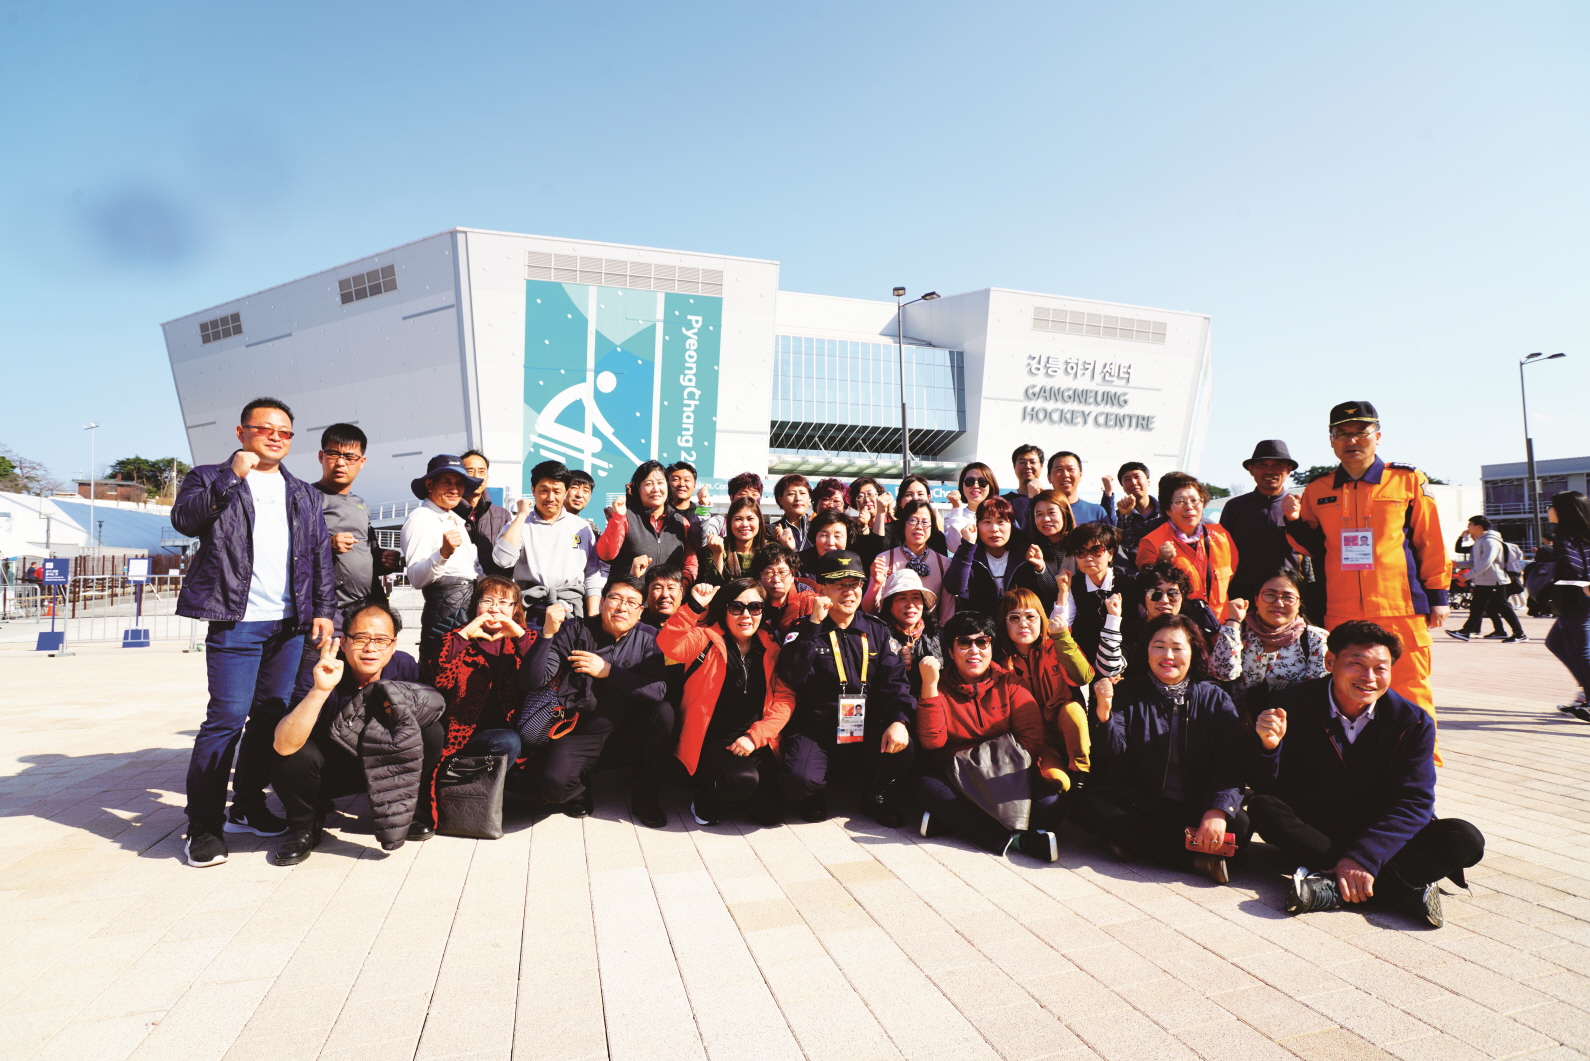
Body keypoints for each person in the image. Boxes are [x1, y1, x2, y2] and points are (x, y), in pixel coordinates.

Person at [171, 397, 335, 868]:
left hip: (289, 625)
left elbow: (319, 554)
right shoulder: (208, 476)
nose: (276, 438)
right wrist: (231, 476)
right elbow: (185, 522)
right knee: (226, 718)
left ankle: (246, 804)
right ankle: (203, 826)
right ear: (242, 432)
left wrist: (324, 609)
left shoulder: (302, 492)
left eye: (285, 432)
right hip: (235, 621)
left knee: (268, 717)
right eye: (266, 429)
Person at [1250, 621, 1485, 927]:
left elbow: (1415, 802)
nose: (1369, 678)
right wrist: (1268, 748)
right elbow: (1268, 785)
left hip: (1381, 832)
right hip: (1319, 830)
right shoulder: (1293, 704)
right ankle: (1402, 891)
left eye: (1380, 668)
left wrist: (1364, 857)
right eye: (1357, 664)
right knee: (1262, 807)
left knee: (1464, 838)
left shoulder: (1413, 722)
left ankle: (1330, 889)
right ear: (1330, 662)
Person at [1283, 401, 1451, 731]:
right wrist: (1292, 521)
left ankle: (1420, 761)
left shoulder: (1407, 480)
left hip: (1399, 609)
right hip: (1341, 610)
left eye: (1361, 432)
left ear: (1378, 436)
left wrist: (1438, 596)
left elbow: (1429, 540)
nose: (1351, 440)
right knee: (1347, 694)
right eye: (1342, 433)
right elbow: (1314, 547)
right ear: (1331, 440)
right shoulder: (1317, 489)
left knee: (1411, 692)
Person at [1080, 613, 1250, 884]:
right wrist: (1103, 710)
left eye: (1177, 648)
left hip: (1194, 801)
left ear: (1193, 652)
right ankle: (1195, 860)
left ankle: (1133, 844)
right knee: (1091, 806)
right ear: (1146, 651)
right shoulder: (1127, 692)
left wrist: (1216, 811)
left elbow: (1230, 762)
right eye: (1158, 646)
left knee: (1240, 825)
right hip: (1141, 801)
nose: (1167, 655)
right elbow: (1110, 749)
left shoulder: (1216, 699)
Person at [271, 602, 444, 864]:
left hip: (381, 766)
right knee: (293, 752)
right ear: (343, 642)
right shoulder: (322, 669)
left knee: (431, 731)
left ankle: (402, 812)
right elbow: (283, 745)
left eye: (381, 640)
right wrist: (320, 690)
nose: (371, 648)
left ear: (393, 645)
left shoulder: (404, 667)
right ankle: (303, 827)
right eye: (361, 638)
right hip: (328, 771)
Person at [775, 550, 915, 825]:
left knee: (904, 746)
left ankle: (875, 796)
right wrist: (814, 625)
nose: (849, 592)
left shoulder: (877, 631)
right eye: (840, 585)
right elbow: (792, 674)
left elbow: (896, 683)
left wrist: (899, 720)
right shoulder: (804, 629)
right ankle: (813, 795)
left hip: (864, 727)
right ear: (822, 589)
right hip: (819, 730)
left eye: (855, 584)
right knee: (798, 782)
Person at [520, 575, 672, 825]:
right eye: (616, 598)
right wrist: (546, 633)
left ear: (640, 611)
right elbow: (532, 681)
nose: (622, 607)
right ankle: (580, 789)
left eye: (631, 602)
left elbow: (658, 690)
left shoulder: (648, 637)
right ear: (602, 602)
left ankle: (646, 800)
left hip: (625, 732)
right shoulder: (575, 629)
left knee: (663, 712)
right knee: (553, 787)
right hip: (579, 733)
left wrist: (608, 671)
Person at [913, 612, 1064, 862]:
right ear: (951, 651)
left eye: (982, 642)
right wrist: (929, 687)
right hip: (959, 777)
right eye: (964, 642)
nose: (974, 650)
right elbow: (932, 741)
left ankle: (954, 823)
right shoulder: (939, 687)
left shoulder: (1011, 684)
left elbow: (1032, 742)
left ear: (991, 647)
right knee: (926, 787)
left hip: (1008, 775)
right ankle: (1018, 840)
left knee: (1051, 803)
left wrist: (988, 768)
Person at [657, 579, 795, 826]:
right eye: (737, 607)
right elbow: (670, 645)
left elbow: (784, 700)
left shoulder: (770, 647)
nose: (746, 615)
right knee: (741, 781)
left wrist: (755, 737)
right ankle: (704, 791)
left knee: (771, 813)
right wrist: (694, 607)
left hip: (753, 741)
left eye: (754, 607)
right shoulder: (706, 639)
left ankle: (736, 790)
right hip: (711, 742)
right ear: (725, 609)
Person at [293, 423, 403, 699]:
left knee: (357, 687)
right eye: (333, 454)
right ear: (321, 456)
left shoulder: (360, 504)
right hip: (325, 612)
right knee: (314, 685)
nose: (341, 462)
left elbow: (365, 551)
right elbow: (290, 548)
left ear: (362, 461)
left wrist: (382, 559)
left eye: (350, 456)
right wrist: (328, 544)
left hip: (361, 610)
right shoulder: (306, 498)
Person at [422, 576, 536, 830]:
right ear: (475, 606)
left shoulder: (523, 639)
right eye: (487, 601)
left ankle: (493, 790)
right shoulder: (456, 638)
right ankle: (472, 793)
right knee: (508, 741)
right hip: (463, 737)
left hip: (516, 733)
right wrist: (464, 635)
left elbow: (542, 676)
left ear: (515, 609)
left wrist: (519, 635)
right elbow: (437, 679)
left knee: (529, 768)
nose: (495, 608)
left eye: (504, 603)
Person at [997, 583, 1094, 792]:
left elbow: (1083, 676)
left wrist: (1063, 638)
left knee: (1073, 709)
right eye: (1014, 618)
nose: (1023, 623)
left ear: (1041, 619)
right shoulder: (1001, 664)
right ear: (1004, 624)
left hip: (1064, 727)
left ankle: (1082, 773)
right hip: (1036, 739)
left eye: (1030, 617)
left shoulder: (1056, 644)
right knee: (1059, 783)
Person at [1208, 569, 1328, 728]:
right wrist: (1233, 621)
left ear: (1300, 603)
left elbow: (1316, 693)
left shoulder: (1315, 639)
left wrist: (1262, 714)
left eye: (1288, 597)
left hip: (1290, 728)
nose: (1278, 603)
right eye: (1270, 595)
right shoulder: (1239, 632)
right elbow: (1223, 672)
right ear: (1256, 599)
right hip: (1236, 726)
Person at [494, 459, 604, 618]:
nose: (550, 497)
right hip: (529, 609)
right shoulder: (518, 524)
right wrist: (521, 516)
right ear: (533, 490)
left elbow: (592, 573)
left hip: (571, 610)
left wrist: (593, 616)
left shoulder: (582, 527)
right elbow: (503, 560)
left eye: (557, 491)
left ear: (566, 492)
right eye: (544, 490)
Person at [1136, 472, 1238, 623]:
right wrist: (1161, 561)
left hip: (1219, 625)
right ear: (1167, 510)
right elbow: (1148, 589)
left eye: (1194, 500)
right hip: (1177, 627)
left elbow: (1232, 574)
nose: (1189, 507)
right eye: (1180, 502)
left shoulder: (1221, 536)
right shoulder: (1151, 542)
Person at [1220, 441, 1302, 601]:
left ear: (1289, 470)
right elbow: (1221, 553)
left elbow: (1309, 551)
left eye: (1277, 465)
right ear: (1251, 470)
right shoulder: (1235, 507)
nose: (1270, 470)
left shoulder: (1299, 506)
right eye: (1262, 465)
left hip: (1285, 593)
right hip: (1241, 592)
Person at [948, 496, 1051, 618]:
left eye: (1001, 522)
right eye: (987, 522)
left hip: (1020, 623)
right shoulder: (968, 553)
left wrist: (1040, 569)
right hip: (980, 625)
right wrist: (967, 546)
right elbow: (955, 588)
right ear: (977, 525)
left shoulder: (1026, 553)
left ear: (1011, 526)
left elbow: (1047, 594)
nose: (994, 529)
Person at [596, 460, 697, 585]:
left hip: (667, 597)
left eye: (660, 483)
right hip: (628, 595)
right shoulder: (625, 517)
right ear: (638, 489)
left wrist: (683, 588)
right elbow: (606, 554)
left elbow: (690, 563)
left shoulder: (681, 522)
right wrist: (618, 518)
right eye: (648, 484)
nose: (656, 489)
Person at [866, 499, 954, 625]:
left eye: (925, 522)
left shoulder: (943, 564)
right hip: (890, 631)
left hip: (930, 633)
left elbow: (947, 614)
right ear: (903, 524)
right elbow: (870, 610)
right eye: (912, 520)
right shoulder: (884, 560)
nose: (919, 526)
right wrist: (875, 584)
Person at [1062, 522, 1128, 680]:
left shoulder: (1129, 581)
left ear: (1111, 554)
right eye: (1081, 552)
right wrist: (1062, 592)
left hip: (1128, 656)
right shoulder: (1074, 585)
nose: (1088, 558)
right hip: (1091, 662)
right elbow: (1062, 627)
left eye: (1097, 550)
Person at [1448, 515, 1526, 643]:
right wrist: (1458, 564)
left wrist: (1466, 576)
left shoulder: (1490, 541)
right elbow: (1475, 562)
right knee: (1477, 607)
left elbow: (1486, 562)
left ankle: (1519, 634)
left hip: (1495, 581)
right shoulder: (1479, 541)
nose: (1468, 527)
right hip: (1484, 581)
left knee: (1504, 608)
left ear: (1478, 527)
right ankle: (1466, 631)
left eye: (1470, 524)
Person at [1546, 492, 1590, 720]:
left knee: (1582, 653)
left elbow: (1572, 568)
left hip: (1576, 601)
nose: (1548, 510)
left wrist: (1583, 584)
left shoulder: (1565, 536)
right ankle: (1585, 692)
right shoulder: (1580, 533)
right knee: (1555, 642)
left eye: (1551, 506)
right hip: (1575, 601)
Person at [876, 568, 943, 698]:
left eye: (916, 597)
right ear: (890, 604)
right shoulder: (879, 635)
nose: (910, 604)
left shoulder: (937, 633)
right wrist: (896, 663)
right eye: (902, 598)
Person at [458, 450, 514, 579]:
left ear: (487, 476)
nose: (477, 476)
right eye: (470, 471)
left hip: (494, 589)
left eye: (482, 471)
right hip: (460, 588)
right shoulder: (447, 514)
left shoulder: (502, 515)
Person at [1026, 489, 1076, 614]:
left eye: (1051, 512)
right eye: (1039, 514)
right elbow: (1051, 595)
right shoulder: (1033, 550)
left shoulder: (1081, 545)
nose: (1046, 519)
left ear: (1065, 513)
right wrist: (1040, 569)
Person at [753, 542, 814, 632]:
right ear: (759, 578)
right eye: (768, 573)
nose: (776, 579)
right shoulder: (751, 603)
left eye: (782, 572)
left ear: (793, 575)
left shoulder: (808, 601)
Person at [695, 472, 763, 547]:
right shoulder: (720, 523)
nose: (749, 498)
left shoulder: (767, 530)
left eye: (754, 494)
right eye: (743, 494)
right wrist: (703, 507)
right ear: (731, 497)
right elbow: (700, 540)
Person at [944, 462, 1000, 553]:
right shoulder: (953, 517)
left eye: (982, 482)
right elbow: (954, 547)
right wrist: (956, 508)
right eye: (969, 481)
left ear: (991, 485)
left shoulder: (1002, 514)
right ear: (962, 485)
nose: (975, 485)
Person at [1048, 451, 1113, 526]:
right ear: (1049, 477)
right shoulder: (1041, 512)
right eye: (1059, 469)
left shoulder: (1097, 512)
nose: (1065, 474)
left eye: (1070, 469)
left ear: (1080, 475)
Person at [1113, 461, 1160, 564]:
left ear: (1148, 481)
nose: (1133, 482)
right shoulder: (1117, 516)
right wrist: (1125, 516)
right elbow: (1124, 548)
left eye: (1137, 477)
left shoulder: (1165, 512)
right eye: (1127, 479)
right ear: (1123, 487)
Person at [797, 510, 858, 588]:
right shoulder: (797, 563)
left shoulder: (855, 564)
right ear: (814, 536)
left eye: (837, 536)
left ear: (847, 538)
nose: (831, 543)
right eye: (824, 535)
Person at [891, 474, 949, 554]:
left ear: (928, 499)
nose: (915, 498)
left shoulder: (936, 536)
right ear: (900, 501)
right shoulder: (889, 531)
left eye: (920, 494)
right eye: (908, 494)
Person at [846, 476, 892, 563]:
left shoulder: (892, 523)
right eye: (860, 497)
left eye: (870, 494)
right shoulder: (852, 530)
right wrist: (863, 528)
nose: (867, 500)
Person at [1002, 443, 1046, 533]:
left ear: (1041, 466)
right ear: (1014, 467)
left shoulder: (1051, 499)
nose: (1028, 466)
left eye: (1032, 462)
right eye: (1022, 462)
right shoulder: (1003, 502)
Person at [769, 473, 813, 552]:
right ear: (780, 499)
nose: (798, 498)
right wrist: (776, 543)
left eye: (802, 493)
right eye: (791, 494)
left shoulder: (817, 528)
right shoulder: (770, 530)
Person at [642, 562, 685, 628]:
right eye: (658, 588)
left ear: (681, 592)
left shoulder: (690, 624)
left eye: (671, 588)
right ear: (646, 592)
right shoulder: (633, 623)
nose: (665, 595)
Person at [565, 468, 598, 533]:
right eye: (575, 488)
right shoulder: (548, 521)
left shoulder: (590, 527)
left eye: (585, 491)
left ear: (589, 497)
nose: (579, 495)